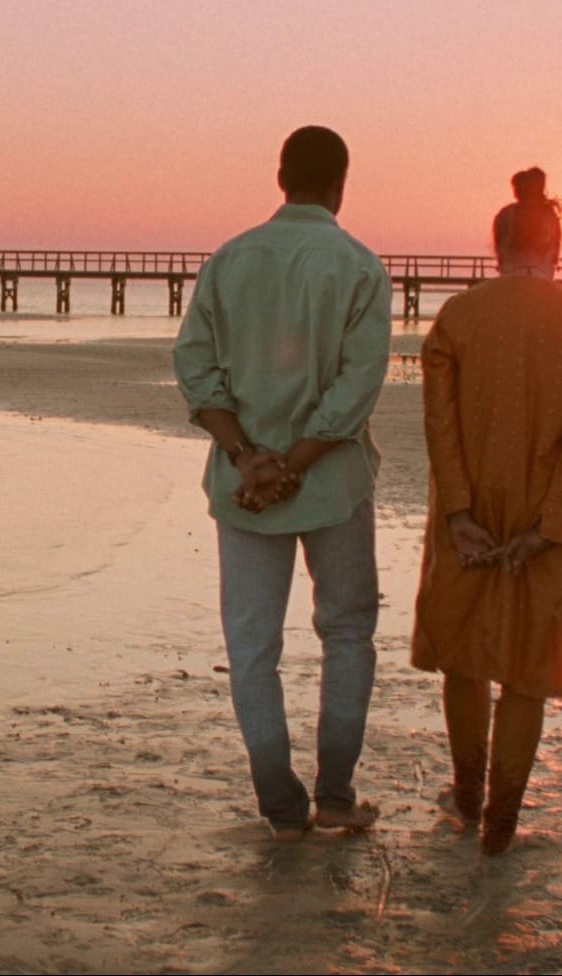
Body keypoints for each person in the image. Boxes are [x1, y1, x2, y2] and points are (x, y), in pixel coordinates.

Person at [173, 125, 393, 841]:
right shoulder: (359, 265)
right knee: (347, 632)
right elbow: (357, 386)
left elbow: (195, 368)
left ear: (280, 178)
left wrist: (247, 456)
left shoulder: (229, 260)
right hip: (332, 484)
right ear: (340, 185)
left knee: (252, 646)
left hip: (246, 489)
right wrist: (296, 462)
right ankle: (335, 796)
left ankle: (280, 805)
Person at [412, 166, 562, 856]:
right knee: (528, 669)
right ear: (556, 247)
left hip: (466, 507)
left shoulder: (459, 316)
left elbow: (439, 424)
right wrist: (551, 524)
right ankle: (502, 820)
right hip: (543, 515)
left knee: (463, 655)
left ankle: (467, 793)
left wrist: (458, 512)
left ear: (496, 245)